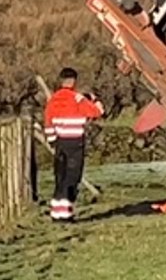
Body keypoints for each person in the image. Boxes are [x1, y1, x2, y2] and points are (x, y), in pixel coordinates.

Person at [42, 67, 104, 221]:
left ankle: (56, 212)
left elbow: (48, 122)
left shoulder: (53, 100)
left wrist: (52, 140)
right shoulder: (77, 98)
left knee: (60, 176)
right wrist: (94, 99)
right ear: (74, 81)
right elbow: (97, 112)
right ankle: (66, 212)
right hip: (75, 141)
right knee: (72, 177)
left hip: (60, 142)